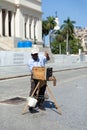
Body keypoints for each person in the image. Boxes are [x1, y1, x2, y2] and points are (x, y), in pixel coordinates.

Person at [28, 45, 50, 113]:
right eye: (33, 55)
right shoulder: (30, 61)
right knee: (33, 90)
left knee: (42, 90)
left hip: (42, 76)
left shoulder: (41, 57)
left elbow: (47, 59)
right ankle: (31, 106)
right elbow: (33, 71)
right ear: (31, 55)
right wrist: (38, 72)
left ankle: (40, 104)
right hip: (35, 76)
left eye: (36, 54)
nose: (35, 56)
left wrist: (47, 55)